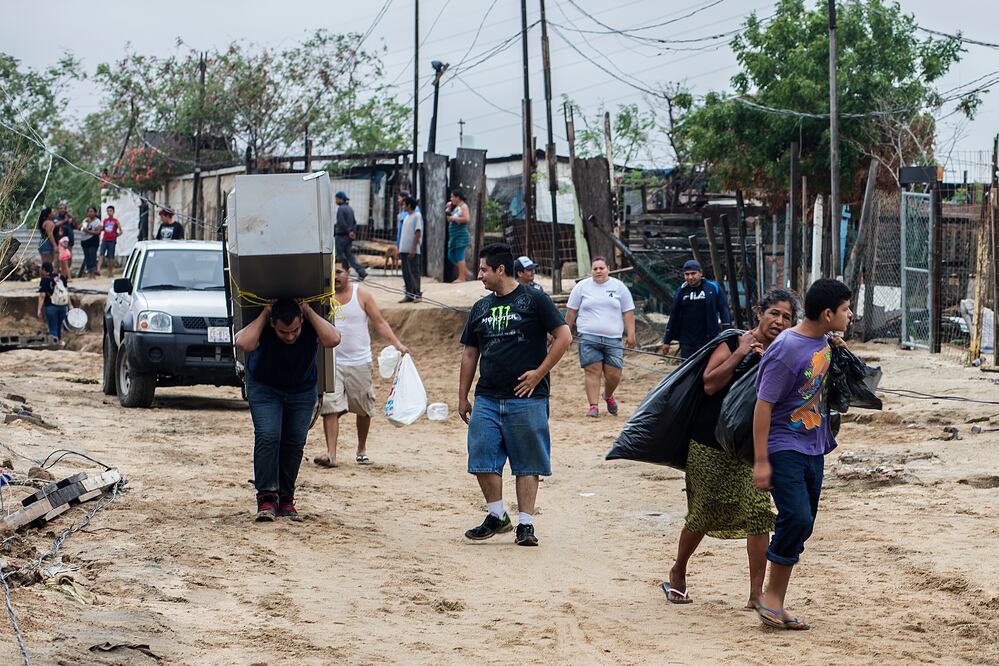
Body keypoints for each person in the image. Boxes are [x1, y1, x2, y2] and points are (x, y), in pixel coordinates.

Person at [663, 289, 799, 608]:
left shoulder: (786, 352)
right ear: (758, 312)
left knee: (758, 513)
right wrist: (742, 354)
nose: (779, 321)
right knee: (702, 514)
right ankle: (678, 570)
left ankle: (755, 594)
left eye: (787, 317)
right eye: (774, 313)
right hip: (709, 443)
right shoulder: (731, 340)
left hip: (750, 448)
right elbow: (710, 382)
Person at [752, 278, 852, 631]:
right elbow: (763, 405)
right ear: (827, 313)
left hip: (814, 445)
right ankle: (771, 598)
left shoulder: (823, 340)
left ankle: (774, 600)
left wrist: (835, 343)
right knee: (794, 515)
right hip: (784, 445)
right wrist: (762, 460)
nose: (850, 315)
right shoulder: (786, 348)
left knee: (804, 521)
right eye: (845, 309)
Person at [458, 243, 571, 547]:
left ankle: (525, 524)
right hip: (487, 397)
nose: (479, 275)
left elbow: (564, 336)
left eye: (483, 269)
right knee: (481, 458)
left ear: (500, 270)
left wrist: (539, 372)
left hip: (528, 398)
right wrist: (462, 395)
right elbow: (470, 353)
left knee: (528, 463)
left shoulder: (534, 299)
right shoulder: (480, 308)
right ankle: (497, 515)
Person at [235, 298, 341, 522]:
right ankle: (266, 498)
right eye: (284, 332)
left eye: (295, 330)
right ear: (273, 324)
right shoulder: (264, 324)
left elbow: (333, 339)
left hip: (301, 389)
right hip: (265, 387)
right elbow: (243, 343)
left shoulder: (309, 321)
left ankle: (285, 498)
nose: (290, 336)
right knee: (268, 436)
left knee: (294, 442)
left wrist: (309, 312)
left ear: (301, 321)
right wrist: (264, 314)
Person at [314, 259, 410, 468]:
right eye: (331, 273)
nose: (336, 277)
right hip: (332, 360)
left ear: (348, 272)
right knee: (330, 405)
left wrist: (398, 344)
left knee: (364, 408)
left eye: (339, 271)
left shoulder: (362, 294)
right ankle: (331, 454)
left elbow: (379, 322)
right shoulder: (324, 297)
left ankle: (361, 449)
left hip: (359, 360)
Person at [564, 256, 636, 417]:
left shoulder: (619, 287)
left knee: (614, 374)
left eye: (601, 268)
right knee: (592, 371)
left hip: (613, 339)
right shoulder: (582, 287)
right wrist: (566, 334)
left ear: (608, 269)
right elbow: (571, 312)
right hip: (589, 337)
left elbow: (628, 312)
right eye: (595, 269)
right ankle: (593, 406)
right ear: (591, 271)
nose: (598, 271)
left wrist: (631, 334)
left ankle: (608, 395)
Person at [662, 260, 732, 359]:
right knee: (688, 370)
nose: (690, 277)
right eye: (687, 274)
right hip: (687, 341)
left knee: (707, 370)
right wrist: (667, 341)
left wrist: (727, 334)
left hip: (709, 339)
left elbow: (724, 311)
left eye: (693, 273)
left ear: (701, 273)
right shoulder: (681, 291)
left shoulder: (713, 288)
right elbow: (674, 316)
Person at [334, 192, 367, 280]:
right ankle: (361, 271)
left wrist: (348, 232)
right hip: (349, 237)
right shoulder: (350, 209)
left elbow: (341, 222)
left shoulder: (341, 209)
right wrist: (352, 232)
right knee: (349, 255)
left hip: (341, 236)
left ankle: (340, 275)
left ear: (341, 199)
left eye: (336, 199)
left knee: (339, 256)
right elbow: (354, 222)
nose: (336, 201)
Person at [398, 195, 423, 303]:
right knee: (406, 273)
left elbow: (418, 232)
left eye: (404, 204)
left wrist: (413, 248)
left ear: (409, 205)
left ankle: (417, 294)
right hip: (404, 249)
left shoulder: (417, 215)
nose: (403, 206)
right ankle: (409, 294)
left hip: (412, 250)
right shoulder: (406, 216)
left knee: (414, 272)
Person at [37, 261, 68, 341]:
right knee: (59, 328)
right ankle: (59, 342)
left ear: (44, 269)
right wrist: (70, 305)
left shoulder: (45, 280)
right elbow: (66, 292)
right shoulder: (60, 277)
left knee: (53, 329)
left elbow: (42, 296)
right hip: (63, 307)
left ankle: (54, 348)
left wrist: (39, 309)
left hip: (51, 307)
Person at [445, 189, 471, 282]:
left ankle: (462, 277)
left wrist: (454, 218)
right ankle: (465, 271)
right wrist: (448, 208)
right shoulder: (455, 207)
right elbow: (449, 219)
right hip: (454, 235)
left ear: (457, 197)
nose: (451, 199)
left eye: (452, 197)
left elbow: (467, 219)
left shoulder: (463, 206)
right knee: (451, 255)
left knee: (459, 255)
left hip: (461, 235)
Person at [98, 206, 122, 278]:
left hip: (112, 240)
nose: (109, 212)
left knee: (110, 257)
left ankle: (110, 272)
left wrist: (116, 235)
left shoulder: (116, 221)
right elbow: (104, 229)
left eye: (110, 211)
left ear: (113, 212)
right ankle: (98, 269)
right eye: (108, 211)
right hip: (105, 239)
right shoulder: (105, 220)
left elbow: (121, 231)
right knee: (101, 254)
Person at [79, 206, 102, 278]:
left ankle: (93, 273)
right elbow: (79, 227)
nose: (90, 213)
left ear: (95, 213)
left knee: (92, 256)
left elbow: (98, 232)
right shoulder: (85, 220)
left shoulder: (97, 221)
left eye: (91, 211)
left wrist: (88, 231)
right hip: (84, 241)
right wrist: (84, 223)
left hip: (93, 240)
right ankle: (89, 272)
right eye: (88, 211)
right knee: (87, 257)